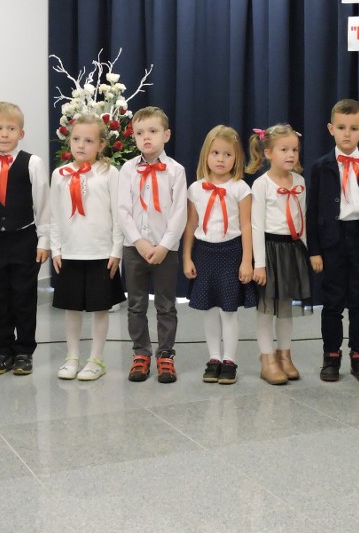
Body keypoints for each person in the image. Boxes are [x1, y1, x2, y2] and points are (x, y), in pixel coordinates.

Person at [0, 102, 50, 376]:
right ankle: (3, 350)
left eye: (11, 129)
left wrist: (43, 241)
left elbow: (43, 204)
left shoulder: (32, 163)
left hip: (24, 240)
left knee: (24, 298)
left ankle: (25, 351)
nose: (5, 134)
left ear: (21, 133)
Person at [307, 99, 359, 383]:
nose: (347, 134)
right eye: (341, 128)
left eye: (353, 128)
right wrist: (314, 250)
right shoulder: (320, 167)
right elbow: (312, 211)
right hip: (332, 241)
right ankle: (331, 356)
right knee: (332, 302)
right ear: (331, 129)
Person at [50, 114, 125, 381]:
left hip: (101, 253)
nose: (81, 145)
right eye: (77, 139)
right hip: (70, 251)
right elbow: (55, 215)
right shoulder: (59, 174)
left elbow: (118, 214)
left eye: (89, 140)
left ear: (101, 145)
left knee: (99, 307)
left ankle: (96, 359)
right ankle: (72, 356)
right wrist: (55, 249)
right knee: (71, 308)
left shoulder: (109, 173)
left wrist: (117, 250)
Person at [118, 106, 187, 383]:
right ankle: (141, 354)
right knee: (135, 305)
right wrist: (139, 242)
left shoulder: (175, 171)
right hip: (134, 249)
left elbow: (179, 212)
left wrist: (164, 246)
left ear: (166, 135)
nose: (146, 137)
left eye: (153, 131)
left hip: (165, 250)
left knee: (166, 305)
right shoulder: (127, 169)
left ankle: (166, 355)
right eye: (140, 133)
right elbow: (122, 210)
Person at [183, 125, 256, 384]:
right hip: (204, 253)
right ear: (206, 155)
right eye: (215, 153)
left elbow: (247, 226)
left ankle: (230, 360)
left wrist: (247, 260)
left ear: (236, 158)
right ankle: (214, 358)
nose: (221, 159)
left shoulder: (241, 188)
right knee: (209, 309)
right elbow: (191, 225)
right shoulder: (195, 189)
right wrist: (187, 257)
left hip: (231, 252)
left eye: (227, 154)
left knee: (229, 311)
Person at [247, 123, 312, 384]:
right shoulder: (261, 185)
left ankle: (284, 354)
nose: (290, 155)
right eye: (284, 149)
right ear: (268, 153)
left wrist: (307, 253)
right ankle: (266, 358)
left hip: (292, 249)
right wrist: (259, 264)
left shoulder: (300, 181)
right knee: (266, 309)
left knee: (286, 307)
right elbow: (256, 226)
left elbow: (302, 219)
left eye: (294, 150)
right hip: (270, 250)